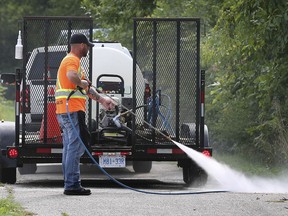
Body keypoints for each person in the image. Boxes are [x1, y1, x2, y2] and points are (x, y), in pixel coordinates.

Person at [55, 33, 115, 195]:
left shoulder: (73, 61)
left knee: (70, 147)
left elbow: (86, 88)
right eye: (87, 46)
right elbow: (72, 77)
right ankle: (72, 185)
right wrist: (81, 82)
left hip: (65, 111)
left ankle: (70, 183)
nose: (88, 48)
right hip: (72, 110)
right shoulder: (71, 60)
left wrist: (102, 100)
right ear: (81, 45)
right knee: (75, 146)